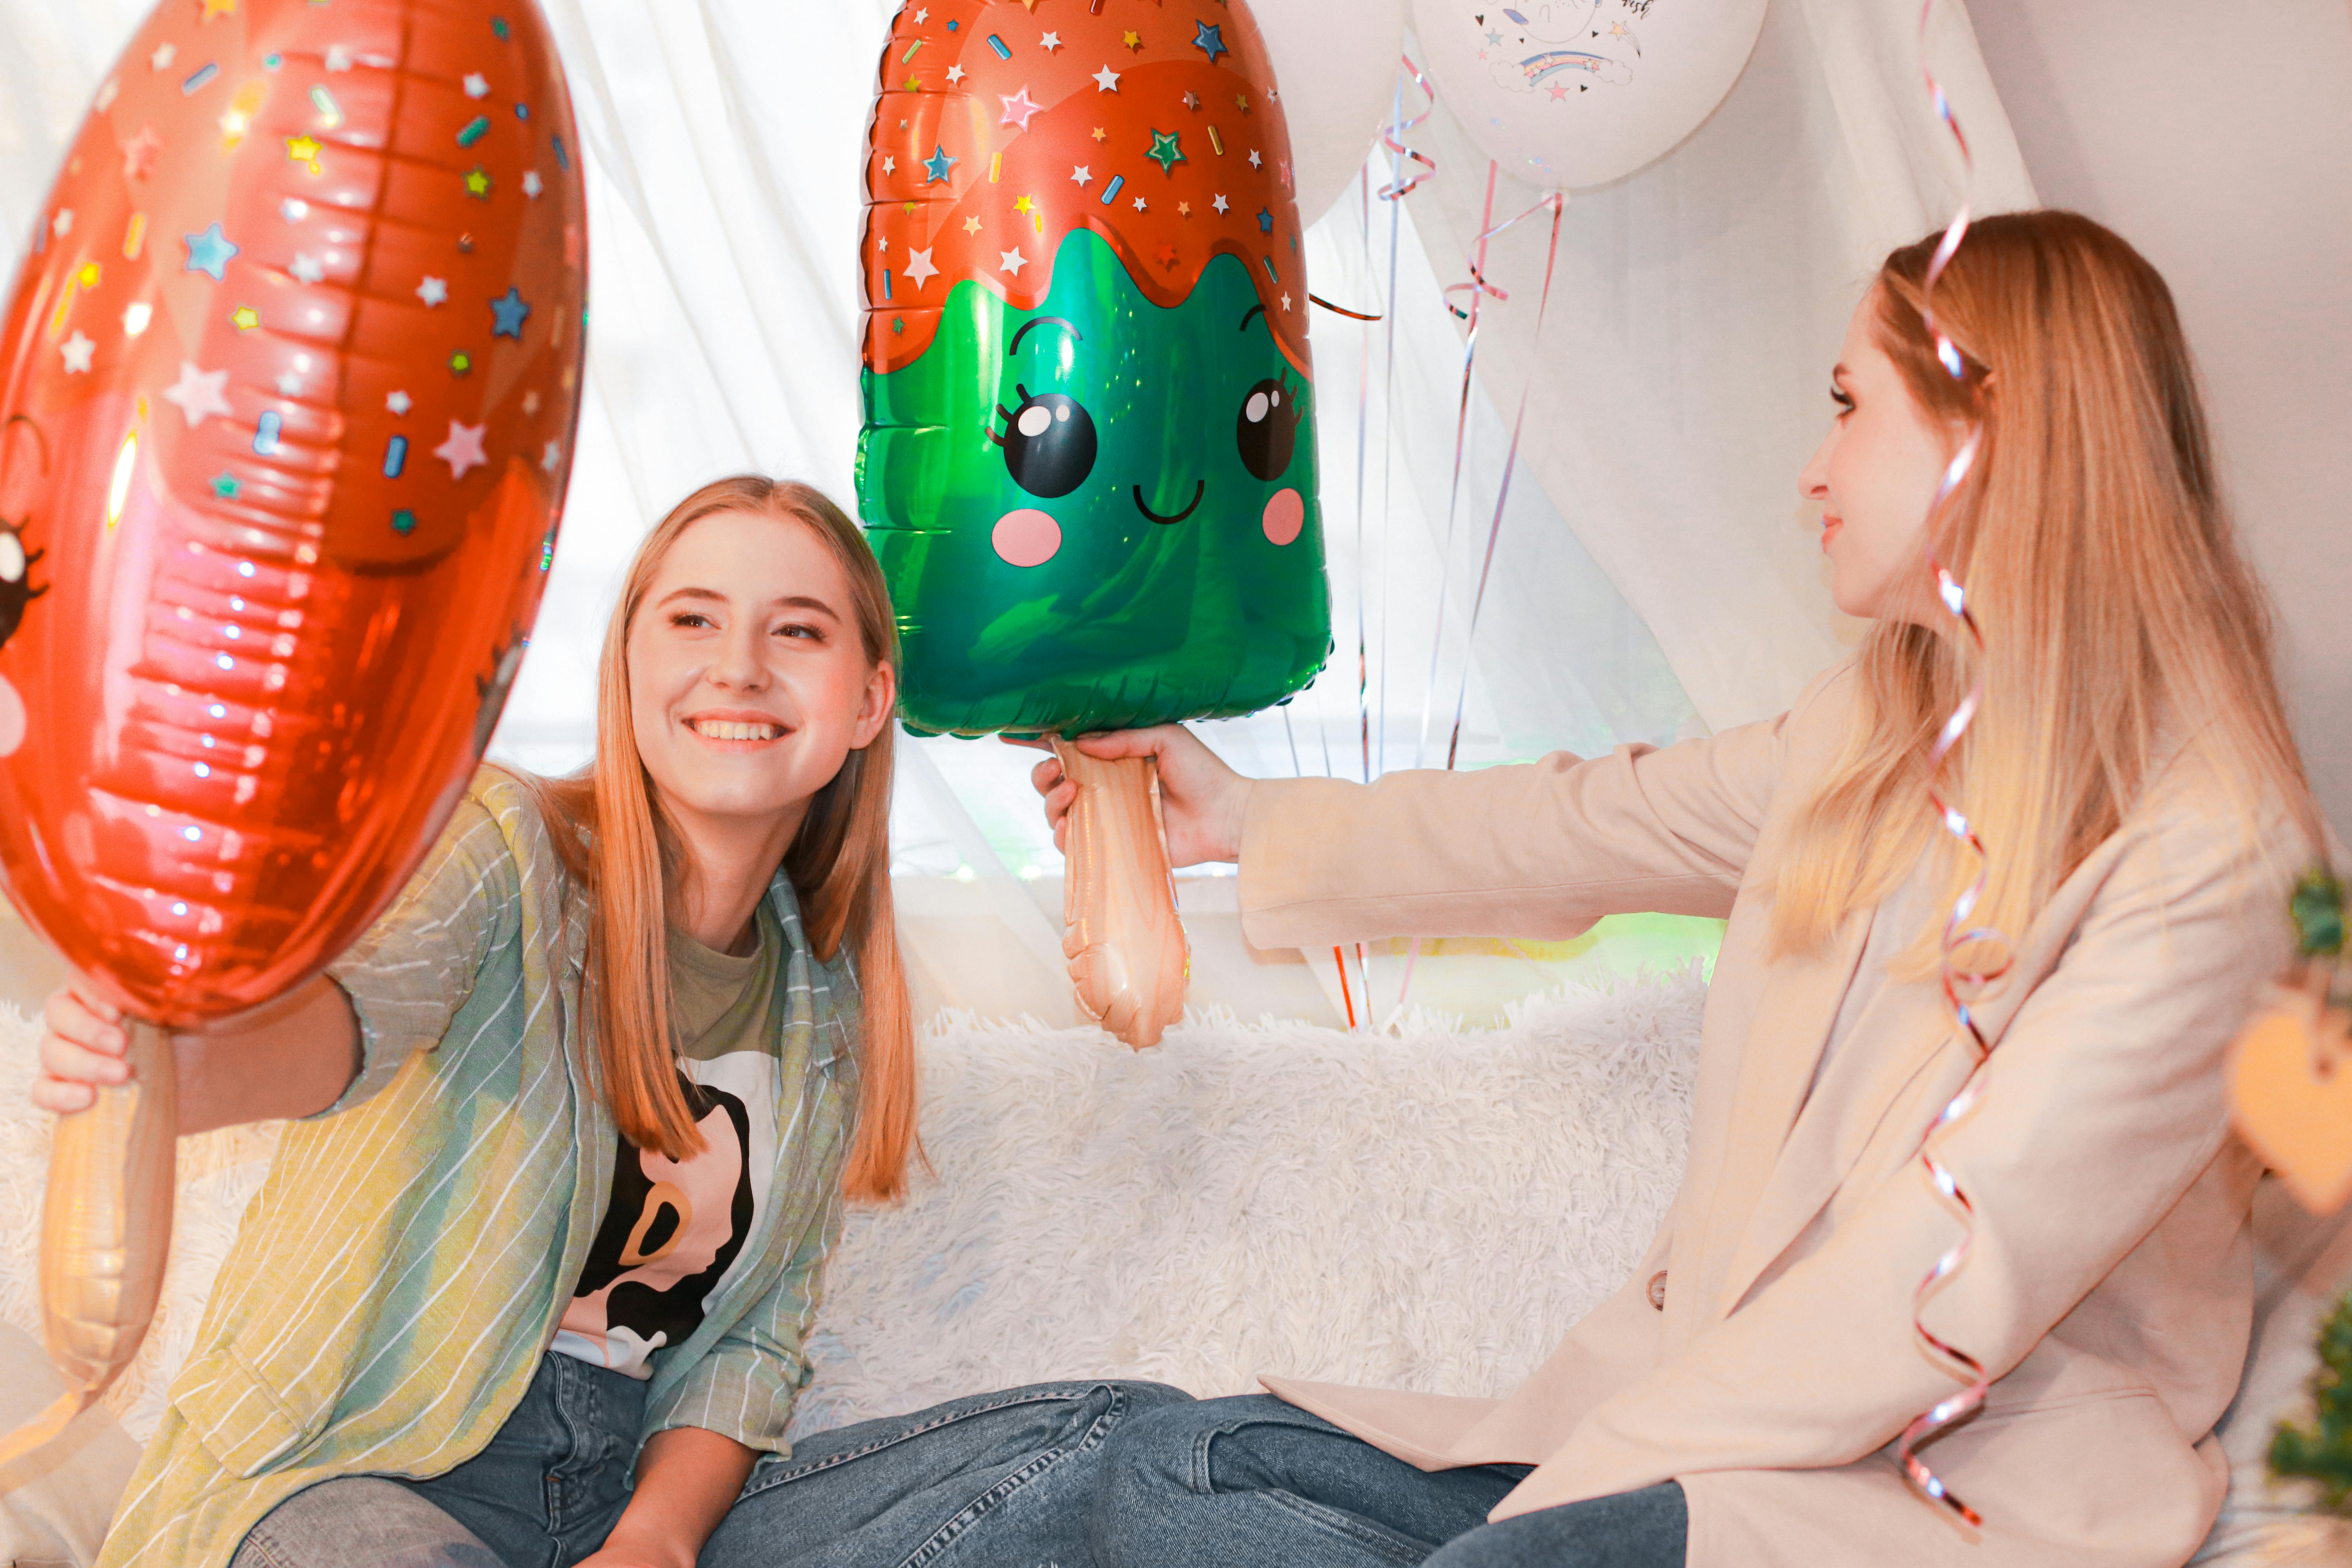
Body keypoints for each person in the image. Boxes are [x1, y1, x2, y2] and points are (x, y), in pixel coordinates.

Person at [1024, 211, 2329, 1568]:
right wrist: (1241, 818)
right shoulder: (1883, 728)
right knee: (1178, 1461)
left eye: (1846, 410)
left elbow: (1935, 1287)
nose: (1814, 473)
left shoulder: (2214, 862)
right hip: (1699, 1447)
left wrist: (1560, 1503)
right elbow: (1585, 820)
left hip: (1955, 1505)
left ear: (1987, 434)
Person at [36, 476, 1184, 1568]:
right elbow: (352, 1022)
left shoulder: (825, 1000)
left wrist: (655, 1539)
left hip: (618, 1490)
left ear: (869, 698)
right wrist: (168, 1071)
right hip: (353, 1480)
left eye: (797, 632)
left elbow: (751, 1344)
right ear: (628, 663)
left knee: (1116, 1441)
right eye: (692, 620)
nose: (736, 668)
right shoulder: (501, 849)